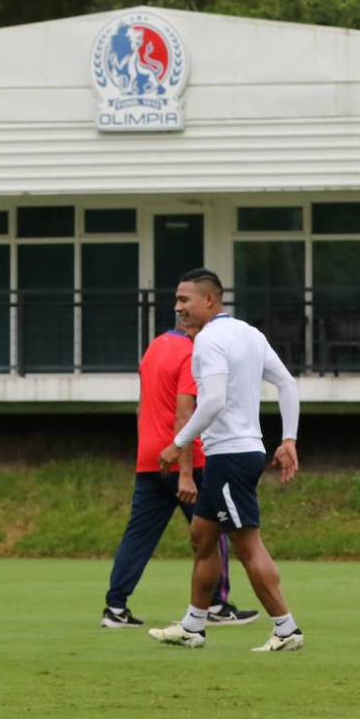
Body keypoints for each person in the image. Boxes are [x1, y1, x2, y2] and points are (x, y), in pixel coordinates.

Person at [147, 268, 304, 652]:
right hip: (234, 454)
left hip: (232, 456)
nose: (177, 308)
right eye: (177, 300)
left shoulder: (209, 341)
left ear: (210, 300)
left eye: (185, 300)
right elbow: (287, 383)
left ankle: (287, 630)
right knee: (203, 537)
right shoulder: (250, 334)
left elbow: (213, 401)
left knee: (248, 544)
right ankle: (193, 626)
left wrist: (177, 442)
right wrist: (288, 438)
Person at [101, 319, 256, 628]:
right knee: (213, 532)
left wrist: (145, 448)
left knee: (138, 536)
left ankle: (115, 608)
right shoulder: (191, 352)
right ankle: (215, 604)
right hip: (187, 457)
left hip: (150, 457)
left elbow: (142, 406)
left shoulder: (154, 349)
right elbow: (185, 413)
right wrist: (185, 473)